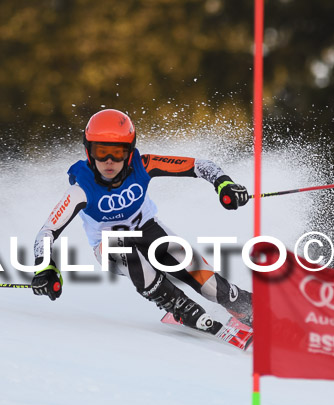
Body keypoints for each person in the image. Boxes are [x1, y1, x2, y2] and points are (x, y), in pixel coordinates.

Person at [31, 109, 252, 334]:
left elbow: (199, 165)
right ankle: (176, 303)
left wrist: (224, 183)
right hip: (109, 247)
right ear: (89, 152)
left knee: (210, 285)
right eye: (101, 151)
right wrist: (45, 267)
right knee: (127, 251)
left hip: (149, 231)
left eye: (117, 152)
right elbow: (47, 231)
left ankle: (247, 306)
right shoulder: (81, 190)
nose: (109, 161)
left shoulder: (143, 165)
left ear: (129, 151)